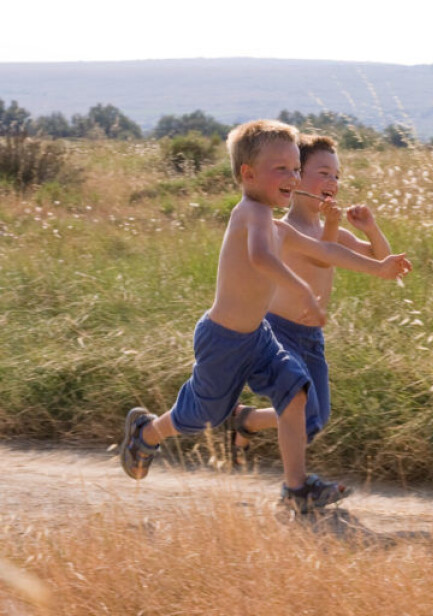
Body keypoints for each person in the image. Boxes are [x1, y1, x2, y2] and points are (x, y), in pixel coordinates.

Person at [119, 120, 411, 514]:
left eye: (294, 169)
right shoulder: (251, 214)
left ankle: (296, 488)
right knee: (201, 416)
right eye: (282, 170)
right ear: (248, 174)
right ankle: (147, 432)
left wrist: (380, 268)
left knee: (296, 392)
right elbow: (260, 256)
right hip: (224, 339)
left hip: (258, 337)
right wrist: (303, 289)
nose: (291, 177)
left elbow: (327, 253)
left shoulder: (275, 225)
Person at [227, 134, 394, 506]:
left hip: (312, 336)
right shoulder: (284, 229)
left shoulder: (329, 228)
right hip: (280, 330)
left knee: (315, 420)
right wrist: (333, 229)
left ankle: (247, 420)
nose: (332, 183)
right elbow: (324, 257)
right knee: (301, 407)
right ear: (296, 178)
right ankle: (296, 489)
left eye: (336, 176)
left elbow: (380, 260)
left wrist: (370, 227)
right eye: (323, 173)